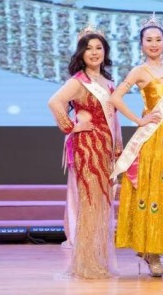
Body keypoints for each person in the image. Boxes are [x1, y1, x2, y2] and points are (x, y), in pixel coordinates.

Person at [110, 15, 163, 277]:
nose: (154, 44)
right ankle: (150, 251)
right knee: (152, 191)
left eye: (158, 39)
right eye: (149, 40)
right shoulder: (139, 71)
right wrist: (138, 119)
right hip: (152, 139)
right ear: (141, 44)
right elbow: (115, 97)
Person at [48, 28, 123, 278]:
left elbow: (115, 119)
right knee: (90, 202)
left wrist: (118, 148)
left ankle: (98, 260)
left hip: (105, 148)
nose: (94, 52)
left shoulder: (109, 83)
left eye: (99, 48)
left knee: (102, 204)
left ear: (105, 52)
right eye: (89, 48)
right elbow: (54, 102)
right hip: (87, 147)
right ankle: (87, 263)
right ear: (82, 53)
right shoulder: (78, 81)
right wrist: (71, 127)